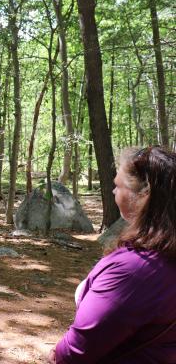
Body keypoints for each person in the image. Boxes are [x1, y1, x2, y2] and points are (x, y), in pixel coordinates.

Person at [49, 146, 176, 363]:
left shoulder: (134, 271)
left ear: (144, 194)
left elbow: (74, 352)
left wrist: (53, 355)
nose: (113, 192)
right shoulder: (165, 253)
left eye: (118, 186)